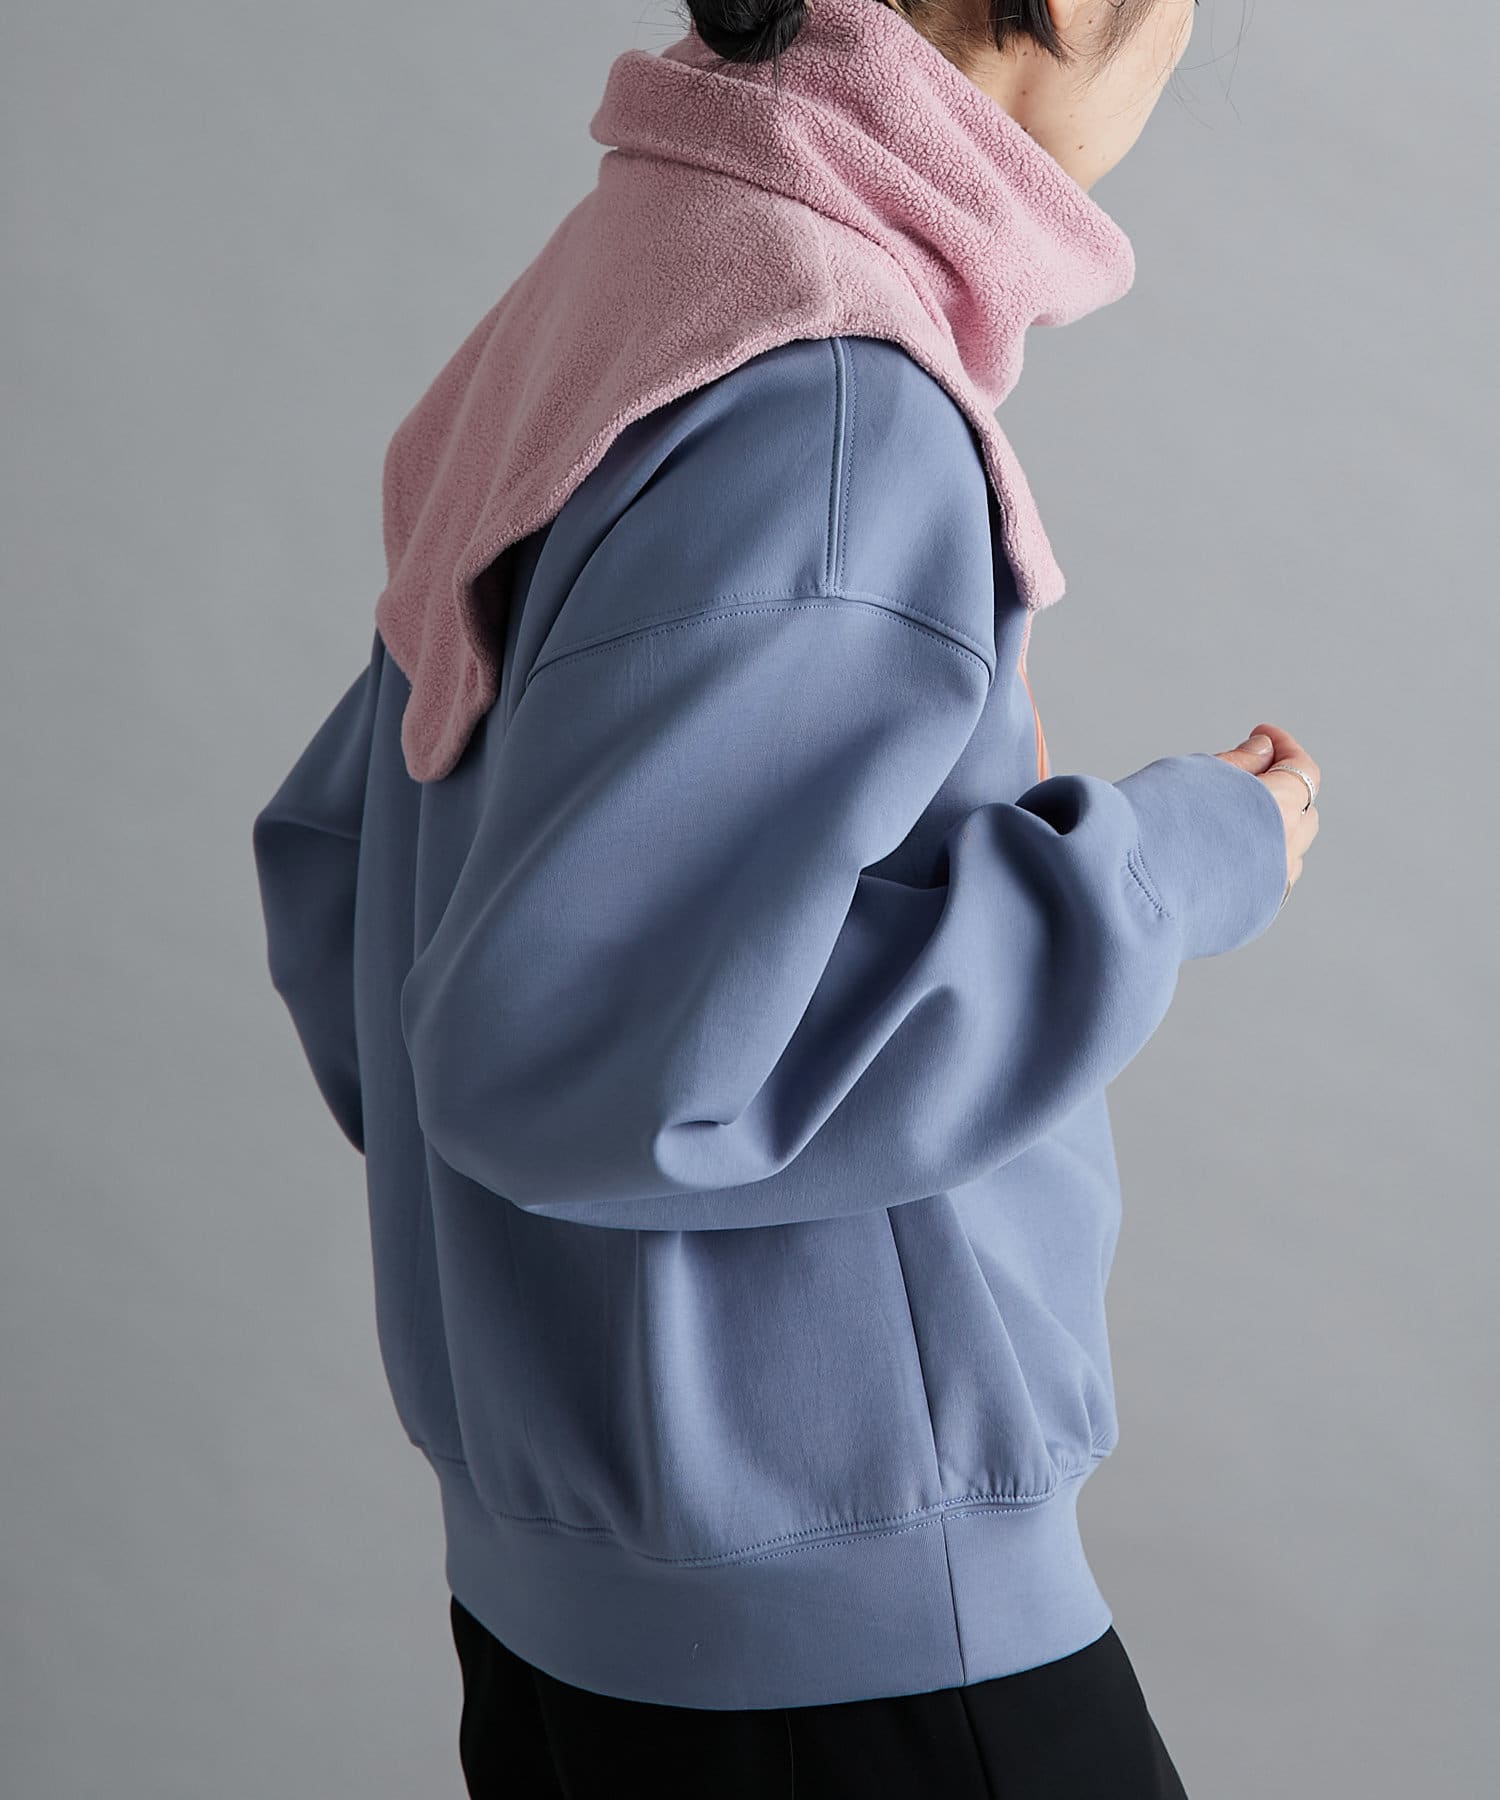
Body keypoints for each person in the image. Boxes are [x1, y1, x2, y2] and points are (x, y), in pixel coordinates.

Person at [252, 1, 1322, 1794]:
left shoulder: (630, 274)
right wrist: (1166, 866)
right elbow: (607, 1061)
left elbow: (343, 867)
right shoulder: (833, 401)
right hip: (861, 1646)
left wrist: (553, 1297)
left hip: (566, 1625)